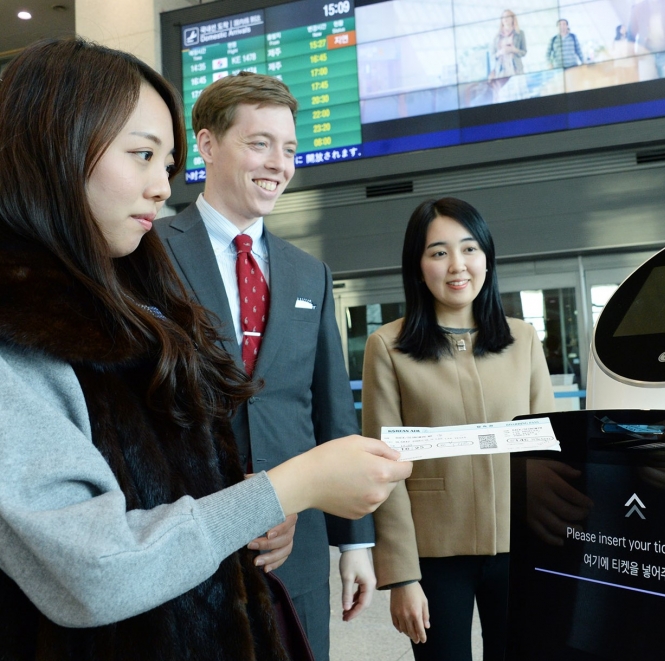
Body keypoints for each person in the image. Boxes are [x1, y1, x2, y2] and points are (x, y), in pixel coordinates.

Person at [0, 37, 411, 660]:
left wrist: (315, 522)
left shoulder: (297, 274)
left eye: (164, 163)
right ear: (54, 148)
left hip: (257, 557)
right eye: (142, 154)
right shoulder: (123, 269)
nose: (158, 187)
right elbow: (94, 564)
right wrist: (281, 490)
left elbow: (324, 407)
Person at [154, 72, 373, 661]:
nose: (279, 163)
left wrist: (356, 544)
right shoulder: (149, 253)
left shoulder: (309, 273)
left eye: (290, 149)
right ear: (206, 144)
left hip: (297, 547)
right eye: (260, 143)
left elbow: (332, 411)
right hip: (190, 537)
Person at [362, 197, 554, 661]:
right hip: (434, 555)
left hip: (521, 547)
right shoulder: (387, 346)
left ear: (487, 258)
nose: (457, 265)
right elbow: (385, 469)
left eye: (469, 249)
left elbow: (548, 454)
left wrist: (558, 551)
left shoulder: (523, 340)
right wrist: (402, 576)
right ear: (418, 265)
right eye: (438, 252)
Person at [489, 10, 527, 83]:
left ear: (512, 19)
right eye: (503, 17)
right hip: (501, 70)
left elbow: (524, 52)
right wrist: (500, 52)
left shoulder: (520, 33)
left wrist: (514, 50)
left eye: (507, 17)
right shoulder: (497, 37)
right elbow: (492, 56)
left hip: (516, 69)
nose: (505, 19)